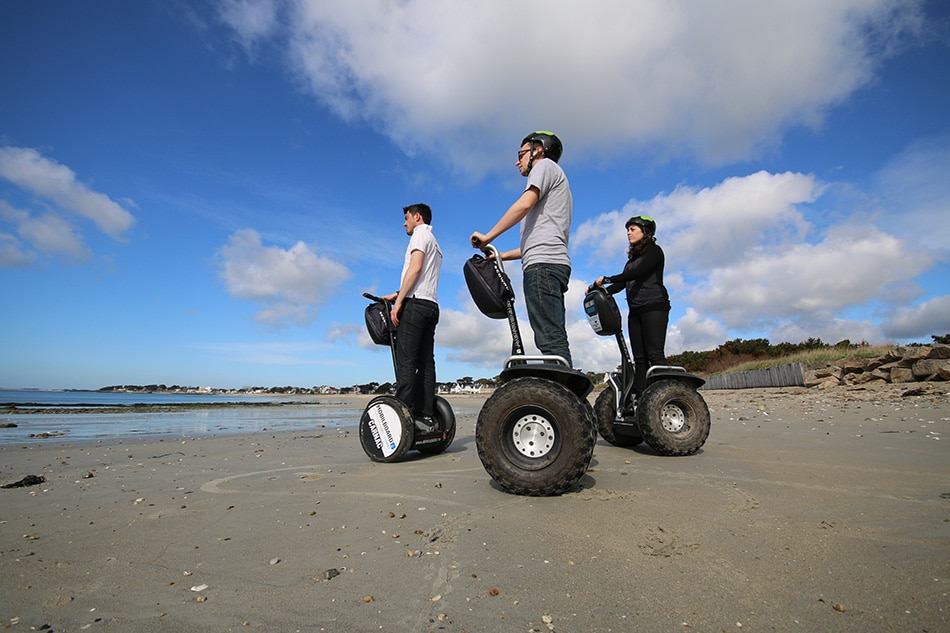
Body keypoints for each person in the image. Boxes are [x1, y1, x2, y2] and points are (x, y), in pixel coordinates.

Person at [470, 131, 573, 366]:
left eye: (521, 154)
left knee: (549, 339)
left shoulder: (544, 166)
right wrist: (502, 255)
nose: (517, 161)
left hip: (542, 267)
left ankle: (562, 397)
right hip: (551, 263)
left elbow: (524, 204)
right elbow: (536, 241)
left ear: (538, 149)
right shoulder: (557, 180)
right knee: (553, 335)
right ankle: (566, 395)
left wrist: (487, 237)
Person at [590, 215, 671, 397]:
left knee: (654, 354)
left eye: (632, 229)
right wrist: (600, 291)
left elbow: (638, 272)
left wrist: (608, 278)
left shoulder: (655, 252)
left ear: (646, 232)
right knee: (639, 358)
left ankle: (665, 394)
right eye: (627, 230)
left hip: (655, 306)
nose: (628, 233)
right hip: (635, 311)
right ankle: (641, 396)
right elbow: (623, 283)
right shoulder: (631, 261)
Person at [383, 203, 443, 433]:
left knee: (406, 361)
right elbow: (423, 278)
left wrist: (398, 304)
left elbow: (415, 269)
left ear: (417, 217)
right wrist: (398, 293)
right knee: (426, 363)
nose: (404, 222)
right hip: (431, 305)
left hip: (415, 305)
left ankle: (404, 415)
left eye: (406, 217)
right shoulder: (435, 243)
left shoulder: (419, 237)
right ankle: (426, 416)